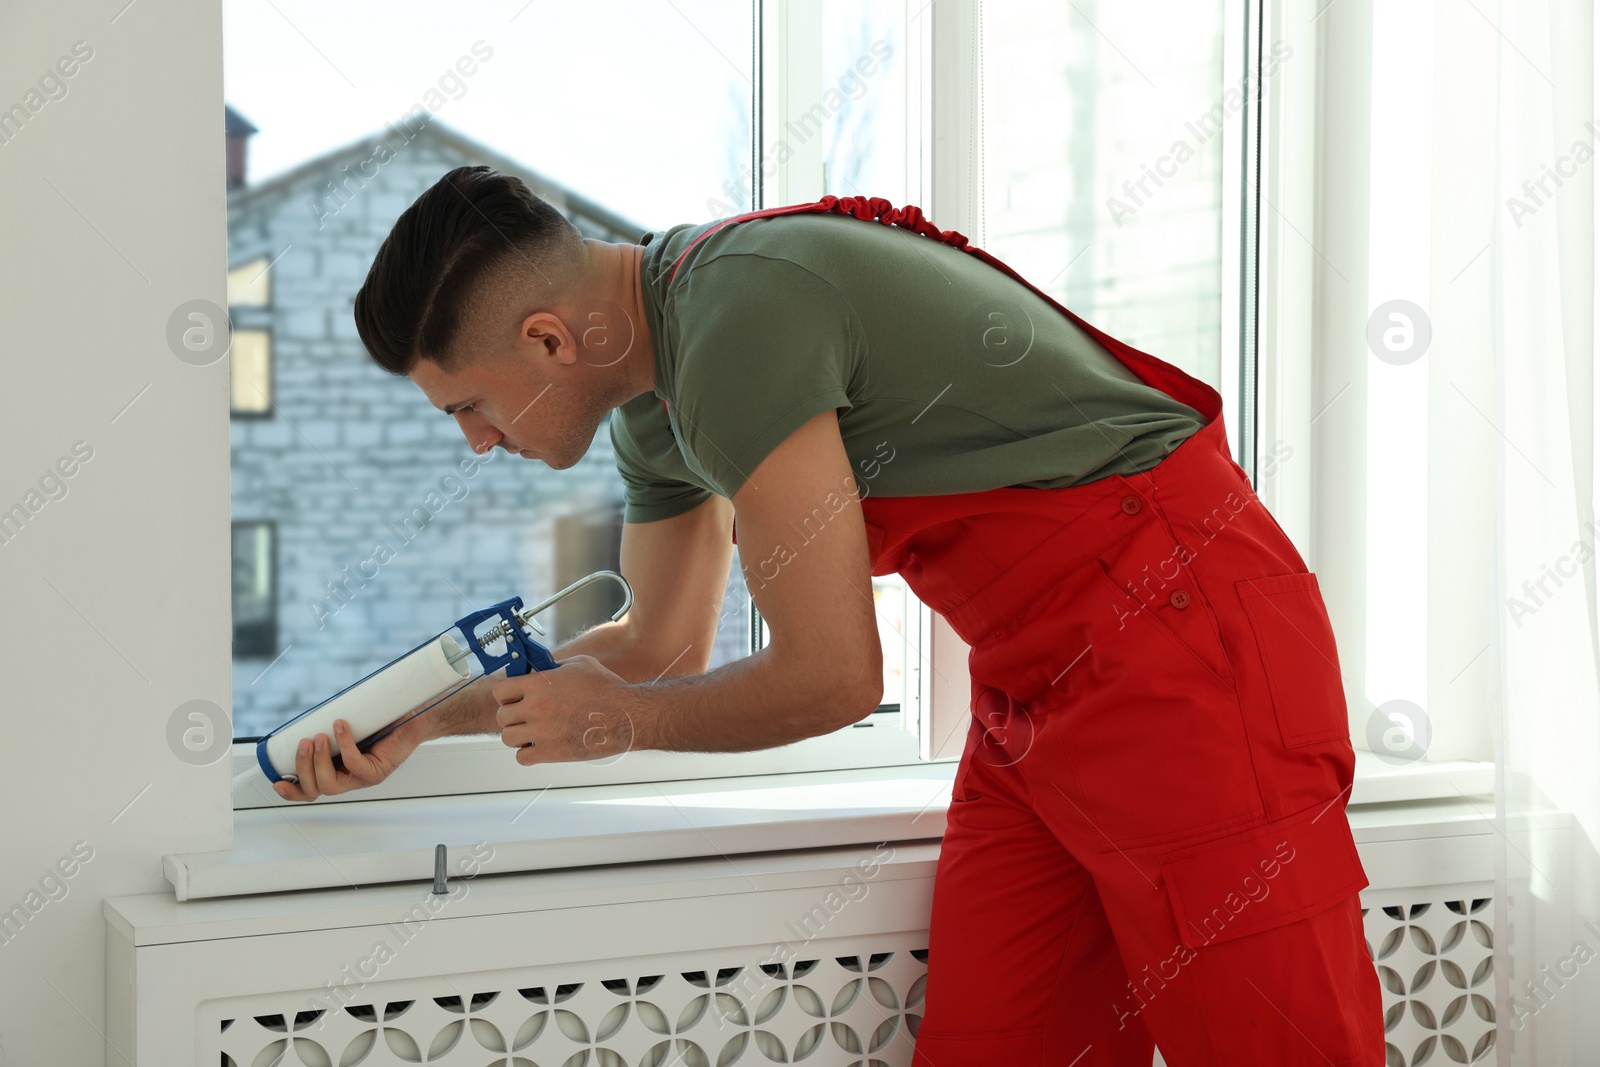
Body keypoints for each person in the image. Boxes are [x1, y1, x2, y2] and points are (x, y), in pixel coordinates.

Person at [276, 164, 1385, 1065]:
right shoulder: (653, 407)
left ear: (550, 341)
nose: (474, 442)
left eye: (468, 405)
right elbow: (657, 645)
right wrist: (423, 720)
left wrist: (620, 723)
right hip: (1035, 690)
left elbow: (832, 678)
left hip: (1185, 646)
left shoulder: (736, 316)